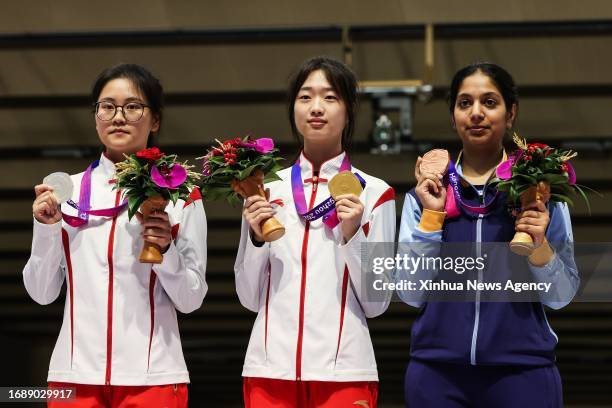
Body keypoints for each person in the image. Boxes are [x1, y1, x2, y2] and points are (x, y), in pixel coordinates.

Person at [23, 63, 207, 408]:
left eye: (133, 106)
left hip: (153, 378)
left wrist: (166, 251)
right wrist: (47, 230)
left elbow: (191, 298)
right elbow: (41, 293)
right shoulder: (65, 192)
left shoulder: (182, 195)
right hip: (74, 378)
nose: (118, 116)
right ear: (95, 118)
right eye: (106, 107)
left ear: (155, 120)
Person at [396, 62, 579, 407]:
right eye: (465, 103)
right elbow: (409, 292)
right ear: (452, 117)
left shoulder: (541, 194)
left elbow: (561, 296)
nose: (476, 113)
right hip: (437, 374)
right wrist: (433, 217)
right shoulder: (424, 196)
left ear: (511, 114)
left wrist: (540, 247)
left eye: (489, 102)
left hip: (523, 374)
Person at [234, 56, 396, 408]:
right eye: (305, 97)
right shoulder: (265, 189)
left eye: (330, 97)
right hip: (268, 370)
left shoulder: (375, 192)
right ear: (293, 108)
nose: (316, 107)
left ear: (350, 110)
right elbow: (248, 297)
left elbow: (377, 303)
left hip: (345, 373)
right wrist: (257, 239)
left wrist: (353, 234)